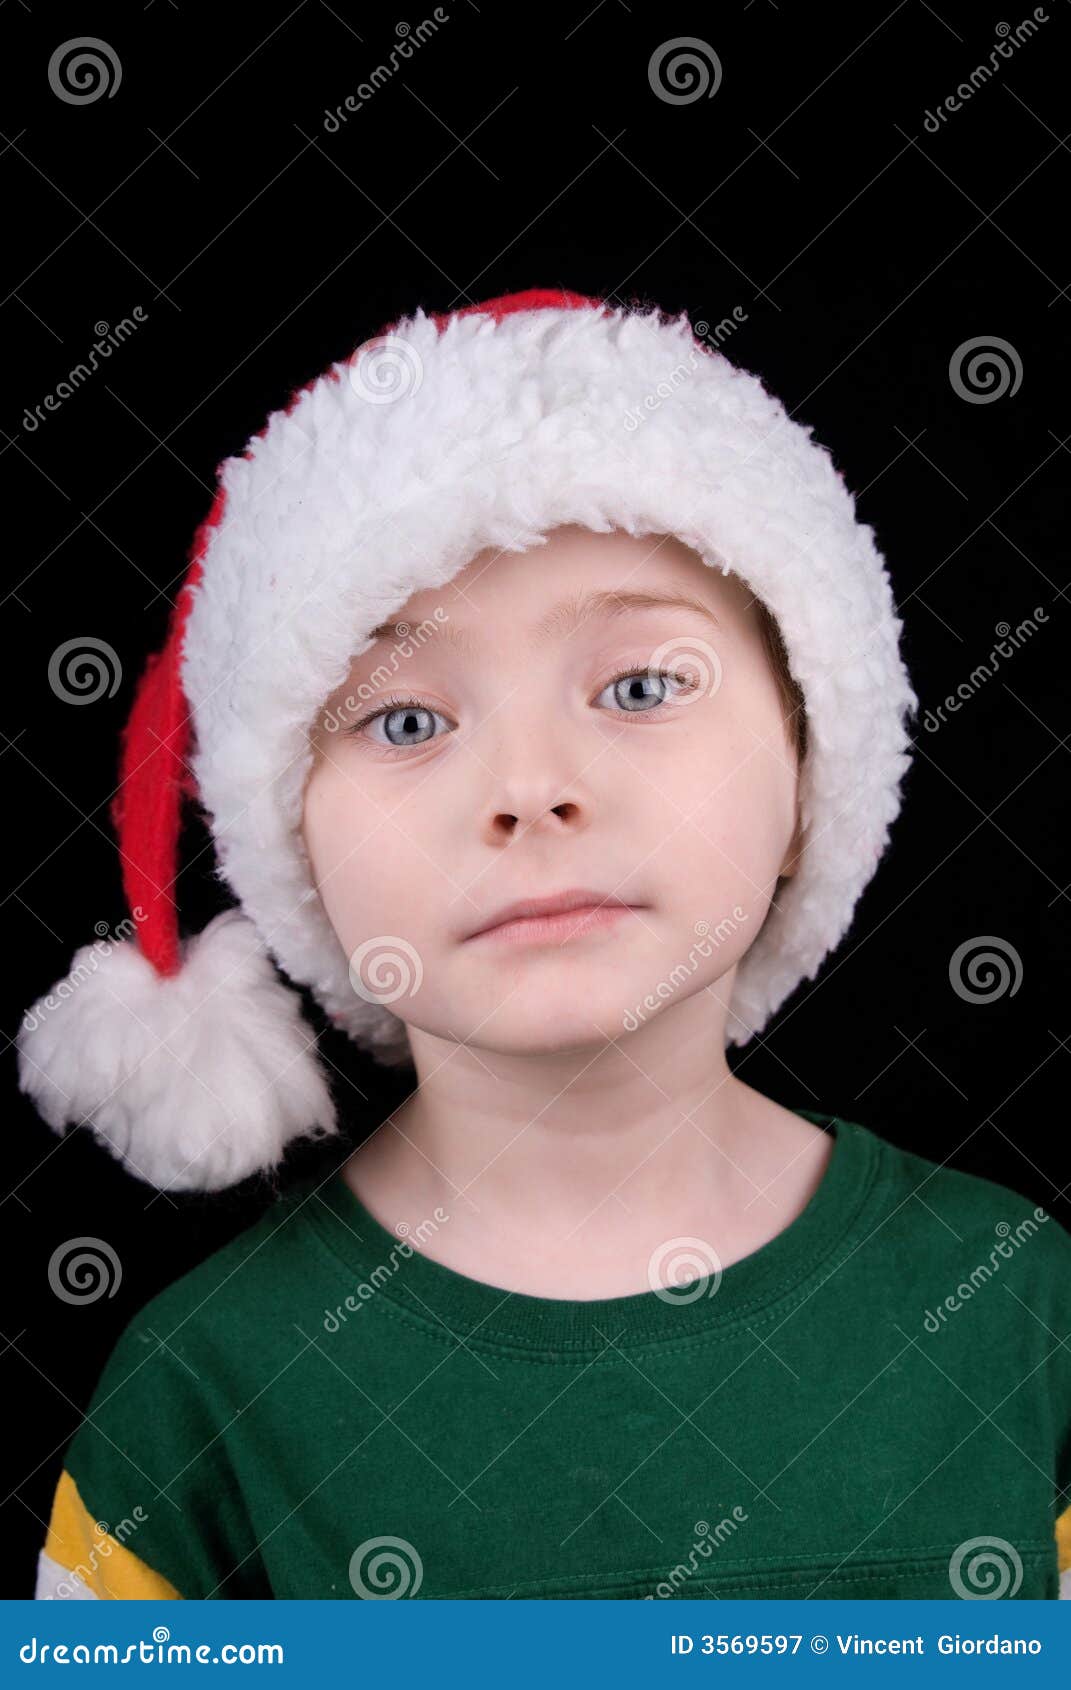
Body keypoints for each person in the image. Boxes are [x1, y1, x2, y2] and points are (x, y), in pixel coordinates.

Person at [21, 289, 1071, 1600]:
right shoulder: (213, 1390)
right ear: (287, 838)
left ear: (812, 764)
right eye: (404, 721)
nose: (530, 788)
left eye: (640, 686)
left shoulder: (1015, 1307)